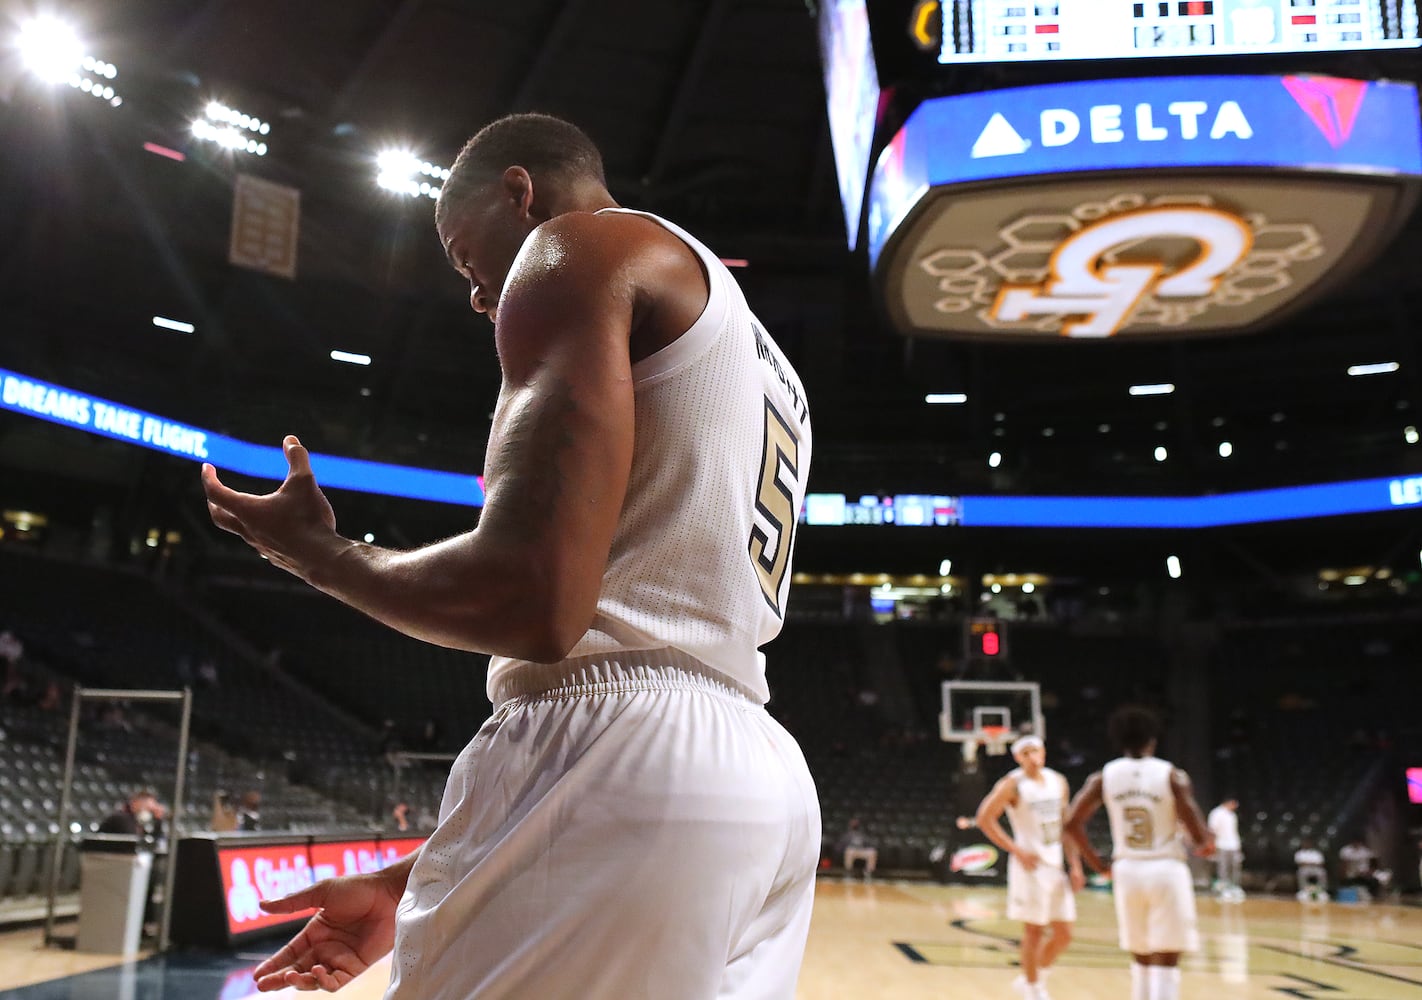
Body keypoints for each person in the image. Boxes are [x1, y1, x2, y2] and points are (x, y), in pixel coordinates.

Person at [201, 112, 818, 999]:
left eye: (464, 259)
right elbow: (646, 663)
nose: (478, 294)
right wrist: (403, 880)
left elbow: (536, 605)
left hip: (623, 760)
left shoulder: (575, 250)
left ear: (518, 191)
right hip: (757, 781)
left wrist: (319, 556)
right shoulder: (763, 357)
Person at [1064, 706, 1214, 1000]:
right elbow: (1198, 836)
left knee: (1141, 954)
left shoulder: (1103, 777)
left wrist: (1098, 864)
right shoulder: (1171, 776)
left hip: (1127, 869)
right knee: (1167, 956)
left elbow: (1071, 824)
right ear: (1152, 739)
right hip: (1165, 868)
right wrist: (1207, 843)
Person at [975, 734, 1084, 1000]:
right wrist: (1016, 850)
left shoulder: (1058, 781)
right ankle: (1034, 990)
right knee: (1033, 931)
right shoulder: (1012, 785)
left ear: (1044, 753)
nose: (1033, 757)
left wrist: (1076, 865)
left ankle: (1032, 978)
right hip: (1030, 866)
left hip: (1056, 865)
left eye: (1036, 751)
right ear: (1017, 758)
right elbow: (984, 818)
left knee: (1064, 934)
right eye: (1026, 753)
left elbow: (1067, 826)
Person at [1206, 797, 1244, 900]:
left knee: (1235, 867)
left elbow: (1234, 832)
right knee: (1223, 868)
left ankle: (1234, 888)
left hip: (1234, 845)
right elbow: (1212, 830)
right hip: (1221, 845)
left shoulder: (1232, 815)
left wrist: (1238, 846)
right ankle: (1223, 890)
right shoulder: (1216, 813)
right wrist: (1212, 845)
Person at [1293, 838, 1328, 902]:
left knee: (1322, 872)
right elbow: (1300, 864)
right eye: (1305, 843)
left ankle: (1321, 890)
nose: (1307, 845)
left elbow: (1321, 863)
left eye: (1308, 843)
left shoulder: (1316, 853)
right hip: (1305, 869)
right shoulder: (1300, 853)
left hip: (1316, 869)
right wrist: (1311, 863)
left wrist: (1309, 863)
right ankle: (1303, 890)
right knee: (1301, 872)